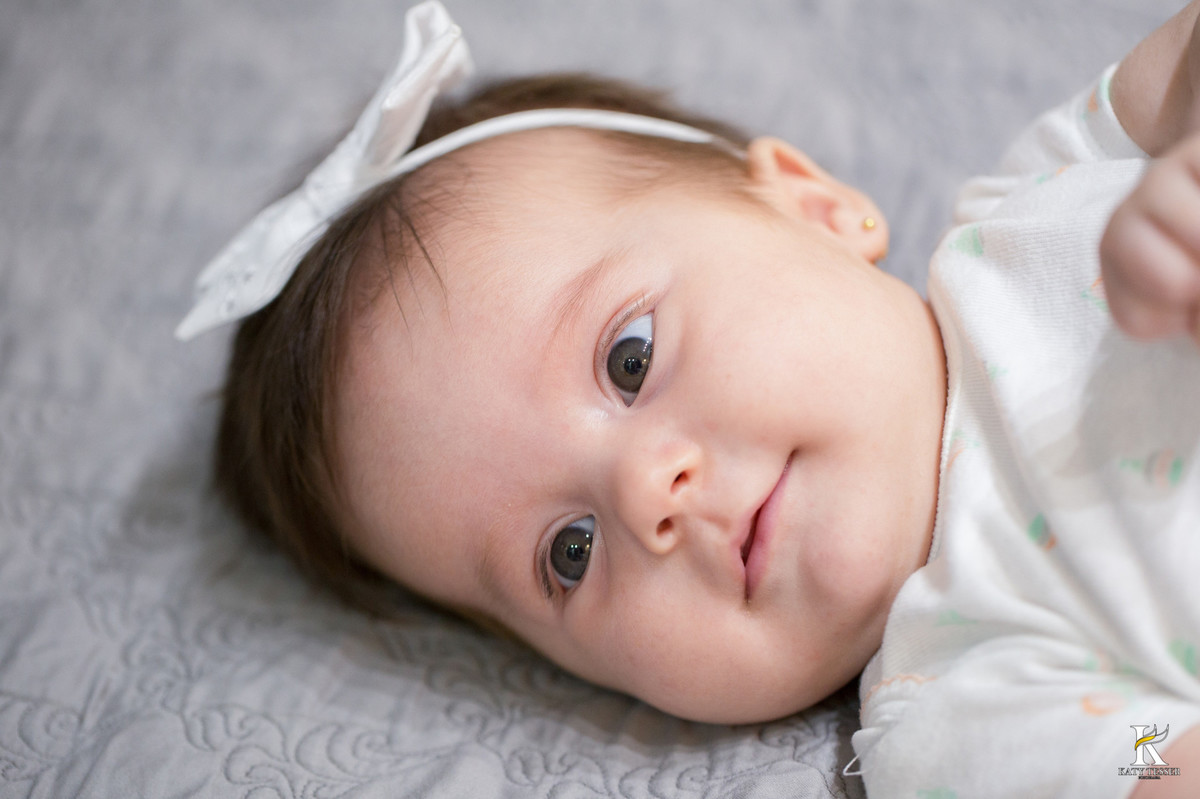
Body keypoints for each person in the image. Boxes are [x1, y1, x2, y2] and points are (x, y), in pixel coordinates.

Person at [177, 1, 1200, 794]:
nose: (643, 496)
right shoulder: (951, 718)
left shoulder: (1040, 202)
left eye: (628, 359)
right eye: (566, 554)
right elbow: (1152, 764)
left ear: (815, 207)